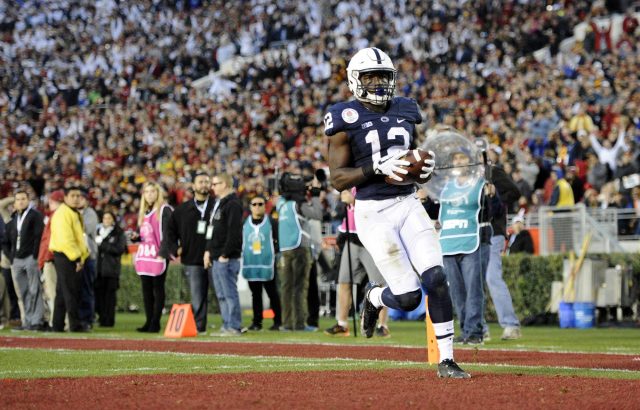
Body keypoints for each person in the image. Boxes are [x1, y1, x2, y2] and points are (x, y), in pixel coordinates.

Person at [325, 47, 469, 378]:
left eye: (383, 77)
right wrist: (375, 167)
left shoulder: (406, 109)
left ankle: (446, 359)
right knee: (406, 298)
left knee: (436, 277)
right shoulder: (344, 116)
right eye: (370, 77)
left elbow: (411, 164)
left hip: (407, 203)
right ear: (354, 80)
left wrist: (425, 169)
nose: (377, 84)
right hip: (373, 211)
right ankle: (374, 297)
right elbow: (337, 179)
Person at [439, 148, 501, 345]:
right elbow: (437, 211)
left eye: (462, 158)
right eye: (455, 158)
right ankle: (466, 329)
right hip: (449, 241)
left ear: (471, 162)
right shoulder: (445, 187)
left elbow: (496, 210)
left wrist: (493, 197)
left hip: (474, 239)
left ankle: (474, 331)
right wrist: (424, 199)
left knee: (474, 289)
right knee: (457, 291)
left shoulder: (481, 185)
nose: (458, 161)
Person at [324, 189, 390, 337]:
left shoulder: (367, 182)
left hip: (370, 240)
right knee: (344, 282)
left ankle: (382, 325)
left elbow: (375, 207)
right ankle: (342, 324)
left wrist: (354, 201)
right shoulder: (348, 183)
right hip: (352, 239)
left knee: (379, 284)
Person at [276, 173, 323, 332]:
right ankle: (300, 323)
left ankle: (287, 323)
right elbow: (317, 214)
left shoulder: (281, 204)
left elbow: (281, 192)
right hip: (300, 248)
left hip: (285, 249)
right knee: (300, 287)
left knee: (286, 288)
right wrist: (315, 195)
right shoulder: (299, 205)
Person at [169, 171, 215, 333]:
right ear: (193, 186)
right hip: (192, 259)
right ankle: (200, 327)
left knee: (224, 294)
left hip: (215, 257)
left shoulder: (217, 206)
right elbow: (171, 232)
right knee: (197, 297)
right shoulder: (182, 210)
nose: (204, 185)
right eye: (201, 181)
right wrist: (176, 249)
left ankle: (230, 325)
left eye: (207, 182)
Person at [484, 164, 522, 340]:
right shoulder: (463, 174)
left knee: (492, 277)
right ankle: (476, 328)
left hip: (492, 231)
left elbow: (514, 192)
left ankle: (510, 324)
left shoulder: (491, 171)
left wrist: (493, 199)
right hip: (470, 232)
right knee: (471, 281)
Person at [204, 173, 244, 336]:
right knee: (221, 294)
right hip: (217, 255)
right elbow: (211, 230)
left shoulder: (233, 203)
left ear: (226, 184)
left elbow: (234, 232)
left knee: (229, 293)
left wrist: (225, 254)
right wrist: (208, 251)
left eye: (215, 184)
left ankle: (234, 325)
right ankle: (226, 324)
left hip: (226, 257)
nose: (212, 187)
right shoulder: (218, 204)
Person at [49, 186, 91, 332]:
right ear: (65, 198)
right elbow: (66, 239)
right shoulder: (63, 213)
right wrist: (77, 258)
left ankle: (58, 324)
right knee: (71, 292)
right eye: (72, 195)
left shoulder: (71, 212)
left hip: (67, 255)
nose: (76, 198)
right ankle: (75, 325)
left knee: (62, 293)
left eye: (78, 196)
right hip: (67, 256)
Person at [133, 182, 174, 333]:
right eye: (147, 191)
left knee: (158, 288)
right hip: (145, 254)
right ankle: (148, 320)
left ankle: (155, 322)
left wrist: (163, 254)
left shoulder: (165, 210)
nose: (149, 194)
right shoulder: (144, 212)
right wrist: (136, 237)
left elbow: (169, 234)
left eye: (152, 191)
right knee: (146, 290)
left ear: (158, 193)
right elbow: (145, 234)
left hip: (158, 254)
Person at [240, 195, 282, 331]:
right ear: (250, 207)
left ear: (265, 206)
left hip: (267, 264)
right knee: (255, 294)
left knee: (272, 293)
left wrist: (274, 253)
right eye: (254, 204)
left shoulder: (271, 222)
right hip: (251, 264)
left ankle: (278, 321)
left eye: (260, 204)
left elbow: (278, 240)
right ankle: (257, 322)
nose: (257, 207)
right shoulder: (245, 222)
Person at [5, 188, 45, 330]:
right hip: (16, 259)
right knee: (23, 292)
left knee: (35, 290)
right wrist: (11, 256)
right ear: (14, 203)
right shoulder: (14, 218)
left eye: (23, 199)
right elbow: (6, 239)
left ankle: (37, 321)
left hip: (30, 258)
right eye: (18, 199)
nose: (20, 202)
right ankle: (27, 321)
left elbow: (38, 236)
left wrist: (35, 255)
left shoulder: (35, 215)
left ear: (28, 201)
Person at [94, 210, 127, 327]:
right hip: (99, 270)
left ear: (113, 220)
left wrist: (102, 244)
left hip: (111, 270)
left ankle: (109, 320)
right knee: (99, 296)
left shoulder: (118, 233)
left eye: (109, 218)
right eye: (104, 218)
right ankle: (101, 318)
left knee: (110, 297)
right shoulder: (98, 231)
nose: (106, 220)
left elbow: (119, 249)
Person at [37, 189, 65, 327]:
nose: (51, 203)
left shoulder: (57, 216)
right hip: (50, 258)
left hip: (52, 258)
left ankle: (57, 322)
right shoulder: (53, 216)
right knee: (51, 293)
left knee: (53, 292)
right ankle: (56, 321)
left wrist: (45, 258)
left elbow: (48, 241)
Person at [78, 192, 99, 328]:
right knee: (77, 289)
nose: (77, 200)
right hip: (76, 256)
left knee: (86, 288)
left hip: (88, 256)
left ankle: (88, 319)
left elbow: (86, 229)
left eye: (80, 198)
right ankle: (79, 317)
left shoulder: (90, 213)